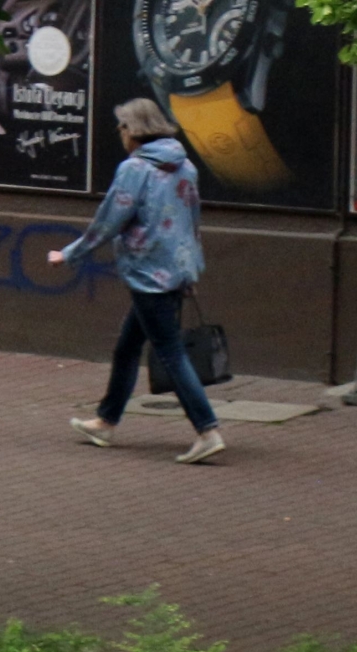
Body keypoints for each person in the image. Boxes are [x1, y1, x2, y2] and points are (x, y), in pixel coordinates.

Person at [50, 99, 222, 464]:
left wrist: (70, 253)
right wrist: (191, 268)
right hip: (176, 269)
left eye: (122, 127)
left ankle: (207, 430)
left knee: (170, 352)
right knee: (128, 348)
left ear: (135, 130)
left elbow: (109, 219)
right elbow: (192, 220)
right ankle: (105, 421)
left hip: (148, 274)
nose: (121, 134)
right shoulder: (184, 165)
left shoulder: (135, 169)